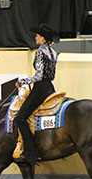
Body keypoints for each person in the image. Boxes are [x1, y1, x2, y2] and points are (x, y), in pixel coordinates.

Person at [13, 23, 60, 166]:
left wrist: (23, 81)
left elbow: (39, 76)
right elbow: (51, 75)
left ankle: (30, 152)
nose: (36, 37)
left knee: (20, 118)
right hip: (50, 87)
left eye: (38, 36)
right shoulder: (54, 53)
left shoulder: (40, 52)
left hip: (40, 88)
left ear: (44, 39)